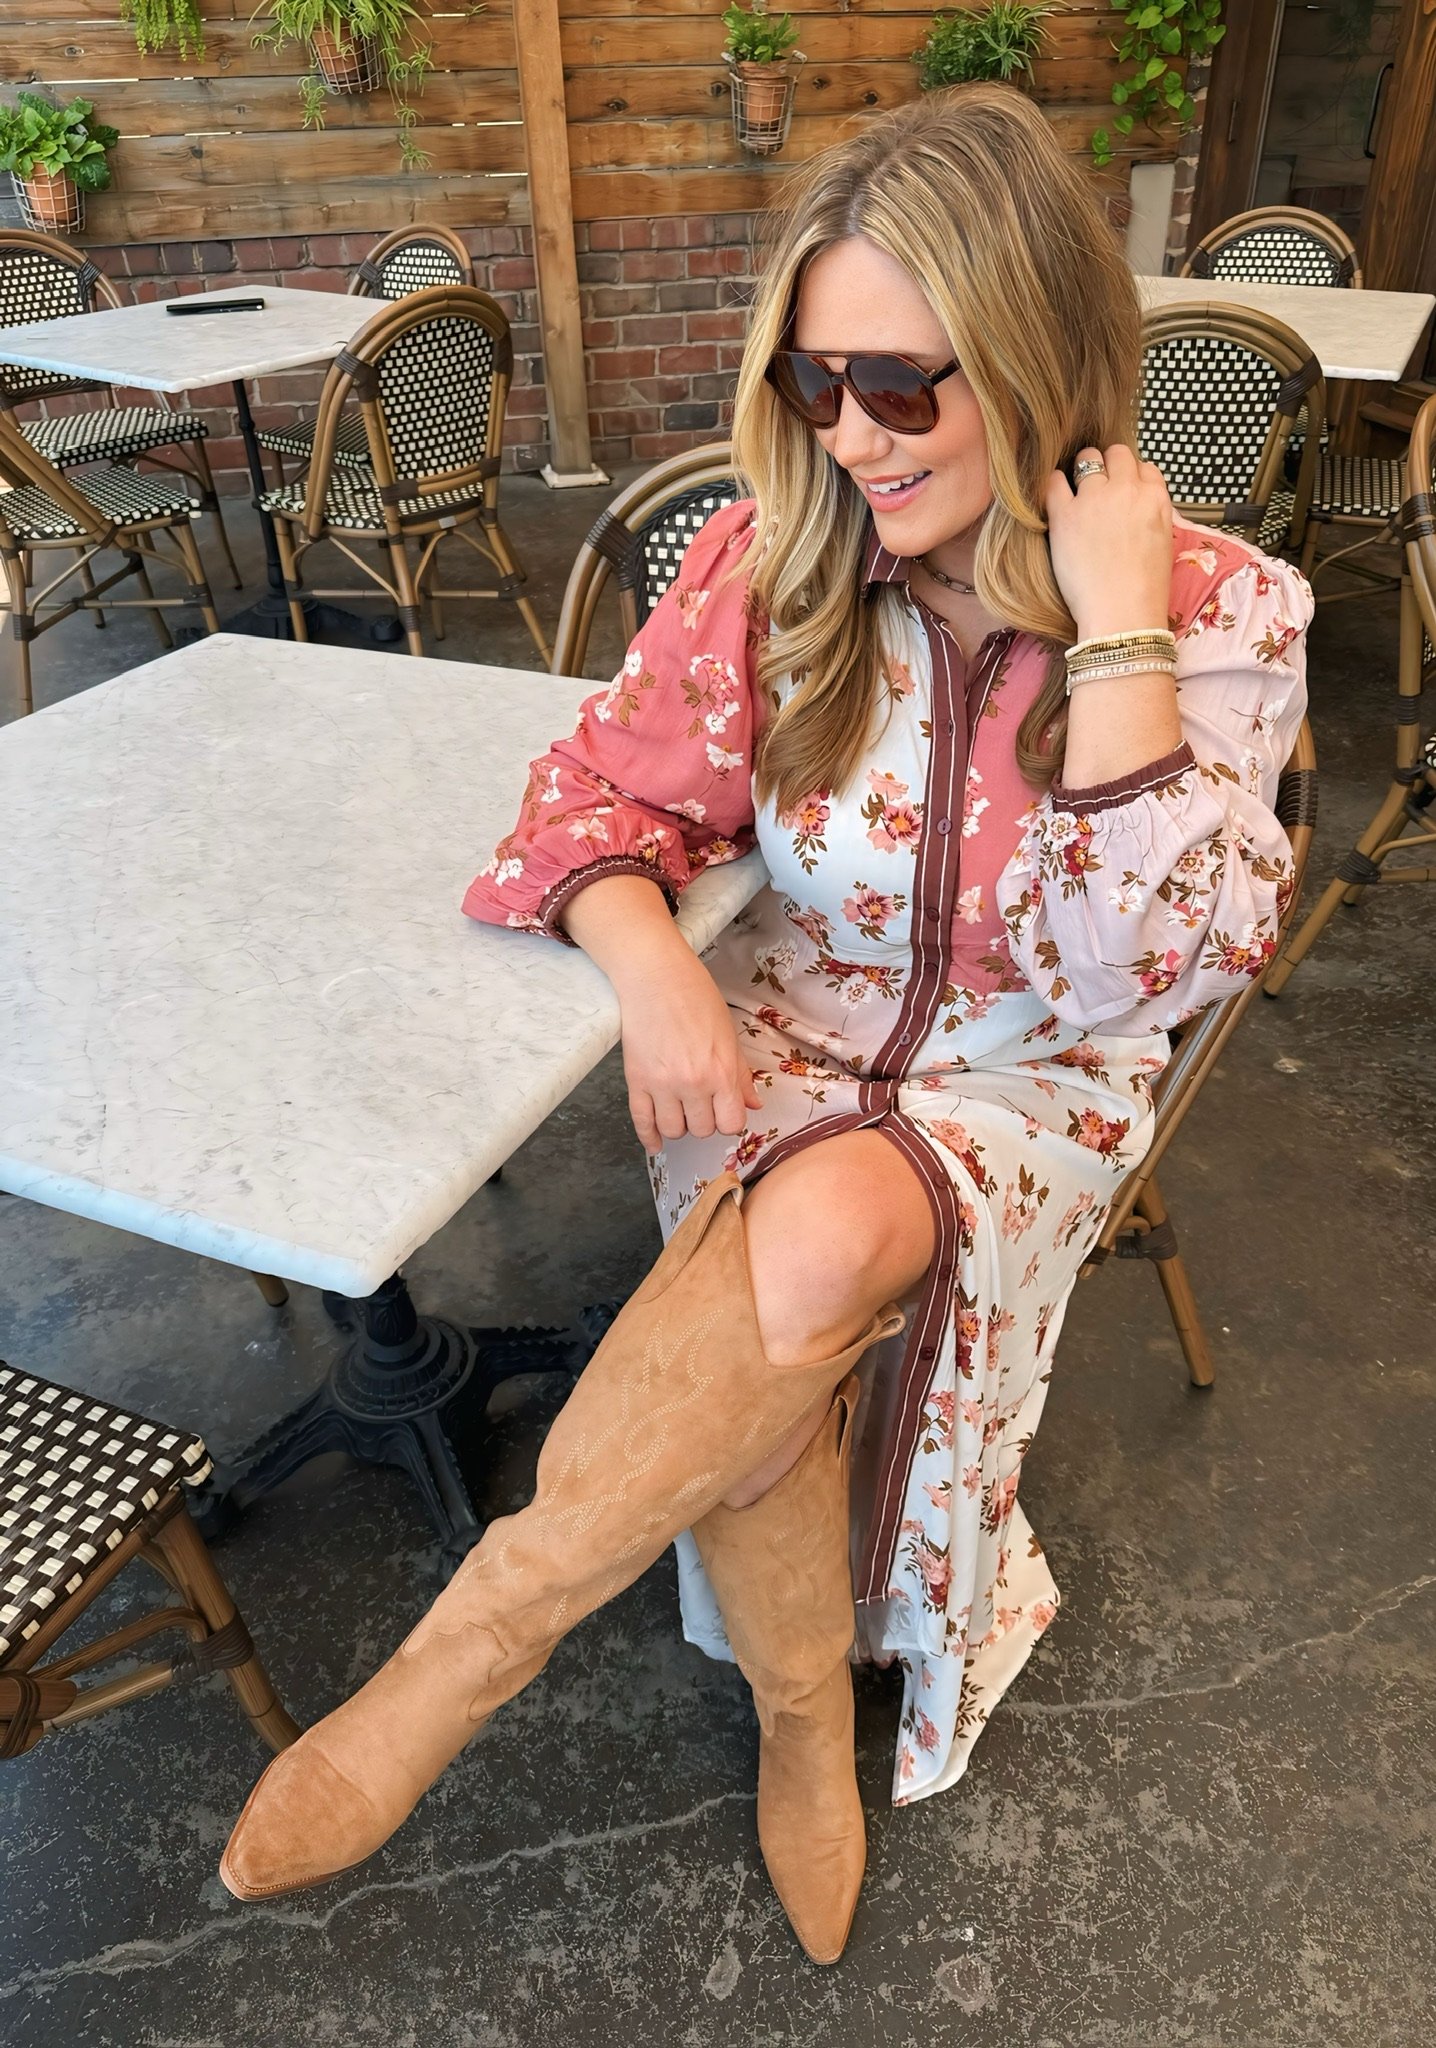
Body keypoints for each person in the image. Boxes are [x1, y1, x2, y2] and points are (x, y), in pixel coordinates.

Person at [220, 85, 1311, 1963]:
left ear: (1039, 354)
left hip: (1029, 1086)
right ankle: (807, 1724)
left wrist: (1117, 635)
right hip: (777, 1050)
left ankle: (477, 1646)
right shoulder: (780, 561)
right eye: (816, 385)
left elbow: (1156, 968)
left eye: (905, 383)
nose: (854, 436)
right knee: (783, 1299)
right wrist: (653, 966)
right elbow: (585, 808)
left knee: (804, 1237)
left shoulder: (1225, 616)